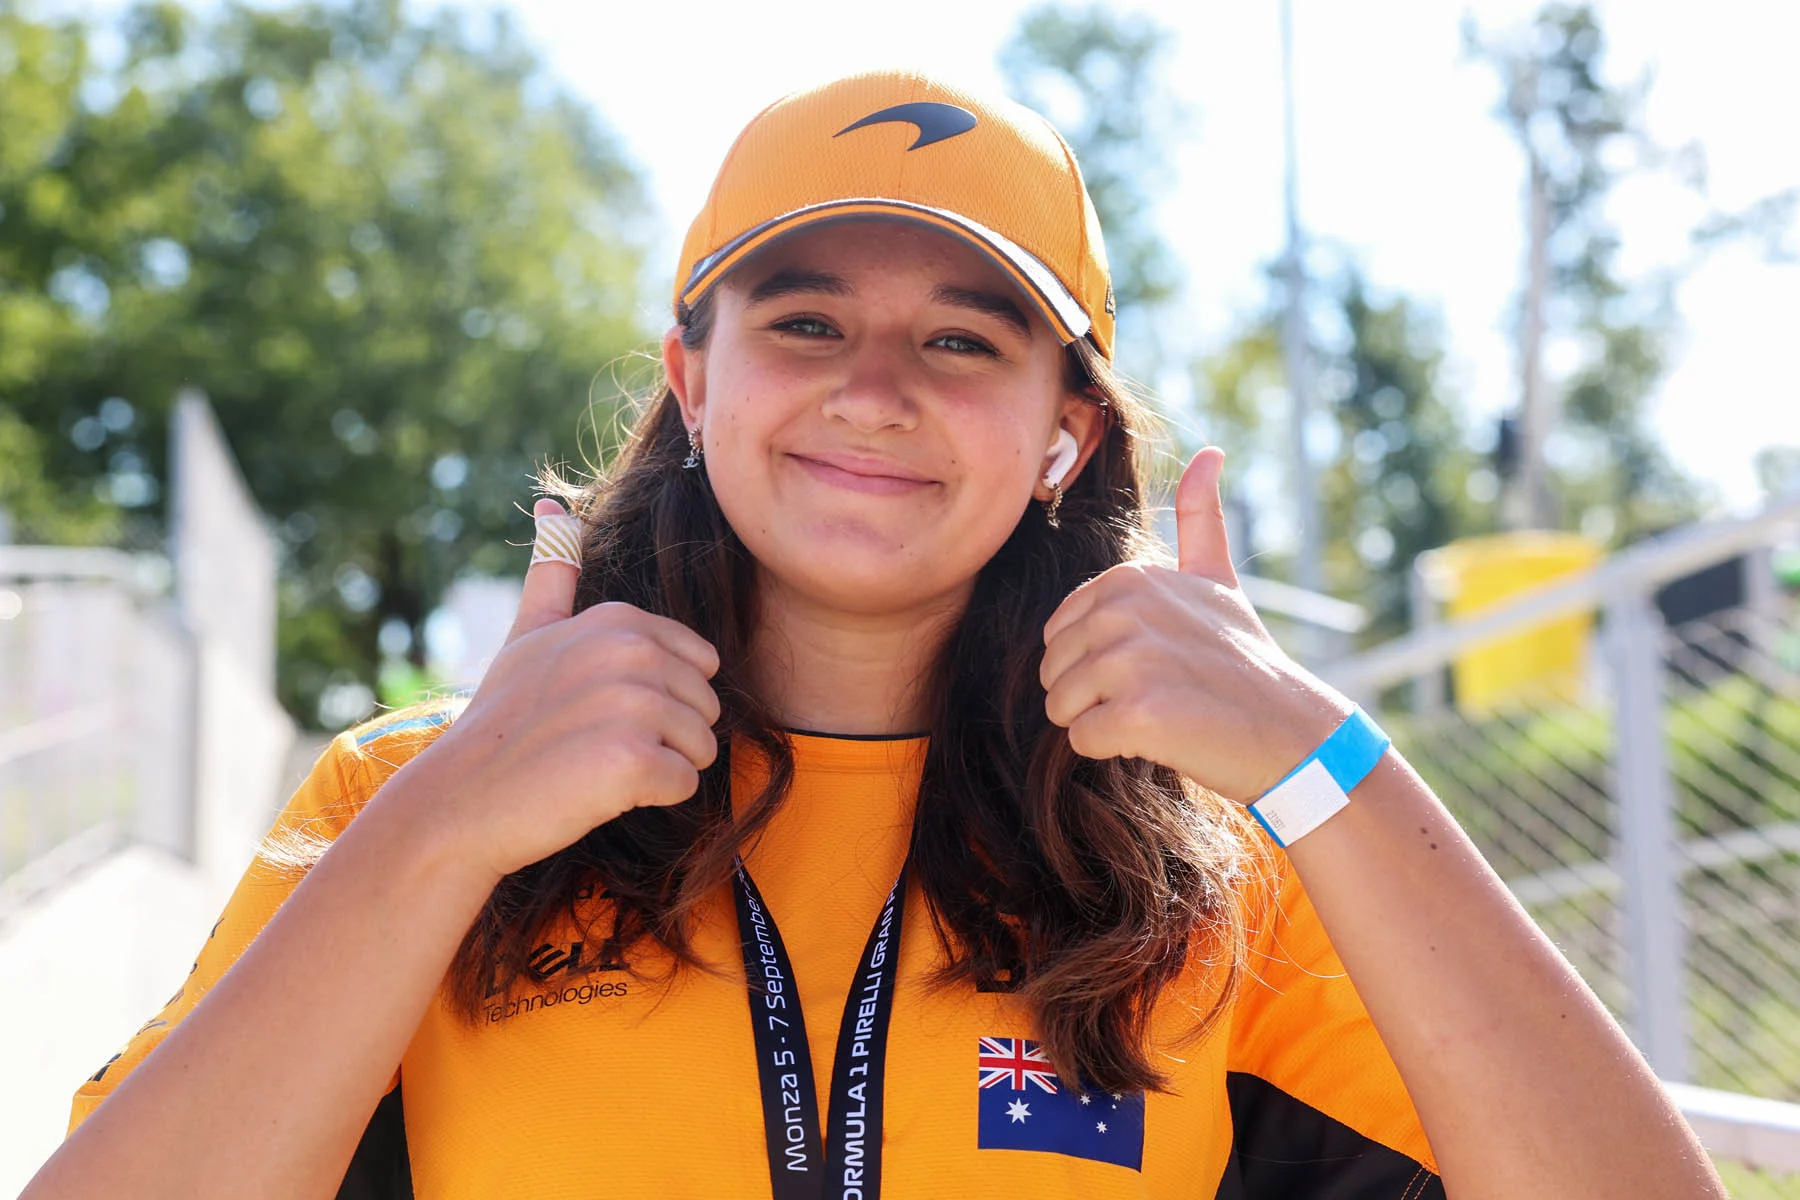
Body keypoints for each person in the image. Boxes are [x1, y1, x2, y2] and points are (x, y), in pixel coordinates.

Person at [27, 70, 1723, 1200]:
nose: (872, 390)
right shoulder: (410, 800)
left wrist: (1321, 758)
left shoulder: (1226, 877)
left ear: (1068, 428)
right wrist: (447, 825)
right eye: (808, 317)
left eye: (967, 341)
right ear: (694, 385)